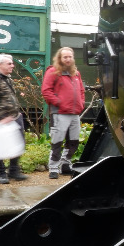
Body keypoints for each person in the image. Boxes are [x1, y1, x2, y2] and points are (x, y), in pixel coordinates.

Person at [0, 53, 28, 185]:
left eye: (12, 63)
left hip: (13, 117)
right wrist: (2, 117)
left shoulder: (7, 78)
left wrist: (16, 113)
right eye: (9, 63)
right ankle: (0, 174)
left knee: (18, 143)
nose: (12, 66)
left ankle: (13, 171)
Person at [41, 46, 85, 179]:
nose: (68, 59)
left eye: (70, 57)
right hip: (59, 113)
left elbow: (82, 91)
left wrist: (81, 103)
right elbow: (46, 91)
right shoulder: (53, 72)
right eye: (65, 57)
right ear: (59, 58)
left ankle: (65, 164)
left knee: (73, 141)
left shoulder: (76, 73)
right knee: (57, 142)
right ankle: (53, 168)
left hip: (74, 113)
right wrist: (59, 102)